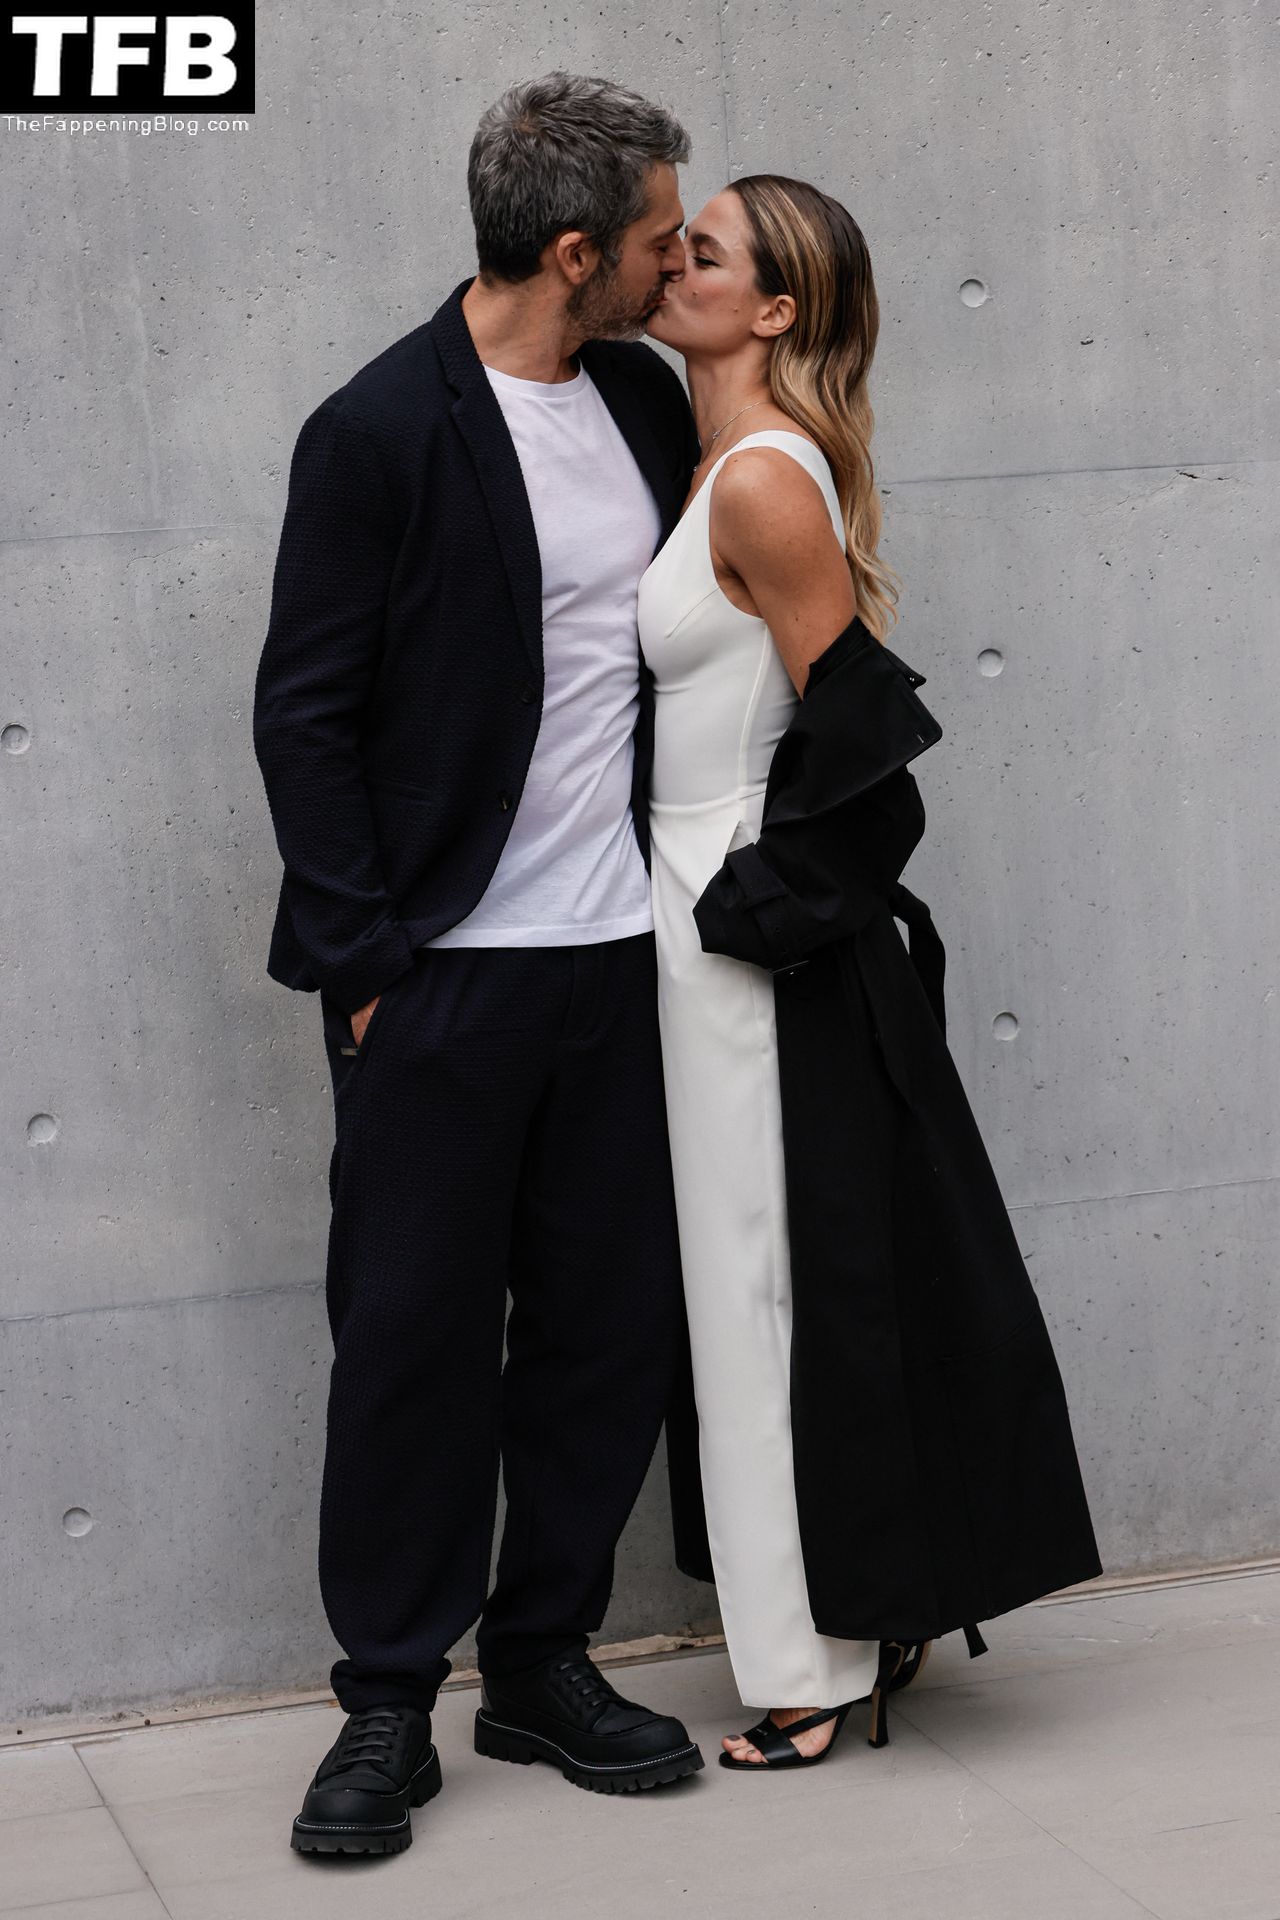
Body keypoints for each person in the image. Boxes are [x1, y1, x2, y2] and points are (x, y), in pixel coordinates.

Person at [253, 73, 707, 1856]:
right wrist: (370, 965)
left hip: (619, 956)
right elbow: (305, 716)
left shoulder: (645, 399)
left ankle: (540, 1663)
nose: (681, 258)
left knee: (604, 1327)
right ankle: (386, 1699)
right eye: (659, 236)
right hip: (441, 976)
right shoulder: (377, 430)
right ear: (576, 250)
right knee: (412, 1341)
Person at [640, 175, 1102, 1771]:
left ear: (773, 310)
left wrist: (745, 908)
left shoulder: (765, 482)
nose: (671, 260)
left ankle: (818, 1668)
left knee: (763, 1289)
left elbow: (869, 762)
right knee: (741, 1284)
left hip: (736, 938)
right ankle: (832, 1632)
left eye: (703, 251)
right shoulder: (712, 459)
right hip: (689, 914)